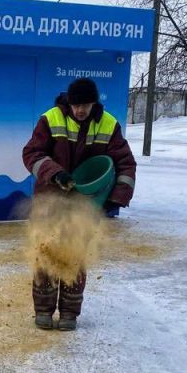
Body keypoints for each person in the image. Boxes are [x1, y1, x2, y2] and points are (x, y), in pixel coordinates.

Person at [22, 77, 136, 331]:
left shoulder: (108, 125)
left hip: (85, 205)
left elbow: (125, 163)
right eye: (76, 105)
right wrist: (55, 173)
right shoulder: (50, 119)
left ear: (94, 103)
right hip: (51, 201)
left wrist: (116, 199)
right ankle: (43, 310)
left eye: (85, 104)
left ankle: (69, 314)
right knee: (46, 253)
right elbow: (32, 154)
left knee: (75, 257)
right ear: (68, 103)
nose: (80, 110)